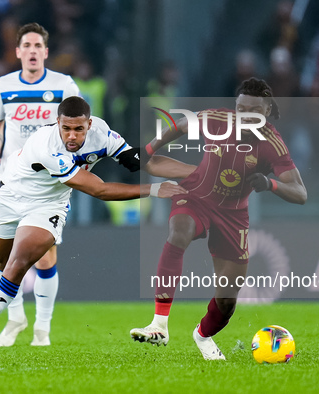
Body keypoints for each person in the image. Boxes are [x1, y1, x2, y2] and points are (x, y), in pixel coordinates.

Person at [0, 96, 186, 364]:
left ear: (89, 124)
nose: (72, 136)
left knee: (17, 265)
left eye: (79, 129)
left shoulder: (103, 134)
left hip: (49, 204)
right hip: (9, 196)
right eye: (66, 128)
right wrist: (154, 189)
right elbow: (100, 189)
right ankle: (17, 319)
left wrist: (196, 172)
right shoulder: (45, 145)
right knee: (4, 265)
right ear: (57, 123)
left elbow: (140, 160)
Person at [131, 78, 307, 360]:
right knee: (179, 231)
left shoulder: (272, 144)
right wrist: (149, 149)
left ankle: (202, 335)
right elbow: (180, 125)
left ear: (266, 112)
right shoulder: (216, 119)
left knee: (226, 302)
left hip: (233, 216)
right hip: (196, 194)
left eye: (253, 110)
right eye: (240, 108)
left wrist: (271, 184)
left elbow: (300, 194)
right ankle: (159, 324)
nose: (244, 114)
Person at [0, 22, 80, 347]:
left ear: (46, 52)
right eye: (27, 45)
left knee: (44, 256)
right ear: (18, 52)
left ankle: (43, 327)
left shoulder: (64, 85)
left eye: (38, 46)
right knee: (3, 257)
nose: (33, 51)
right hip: (10, 180)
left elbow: (77, 128)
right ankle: (15, 317)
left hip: (49, 184)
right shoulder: (3, 86)